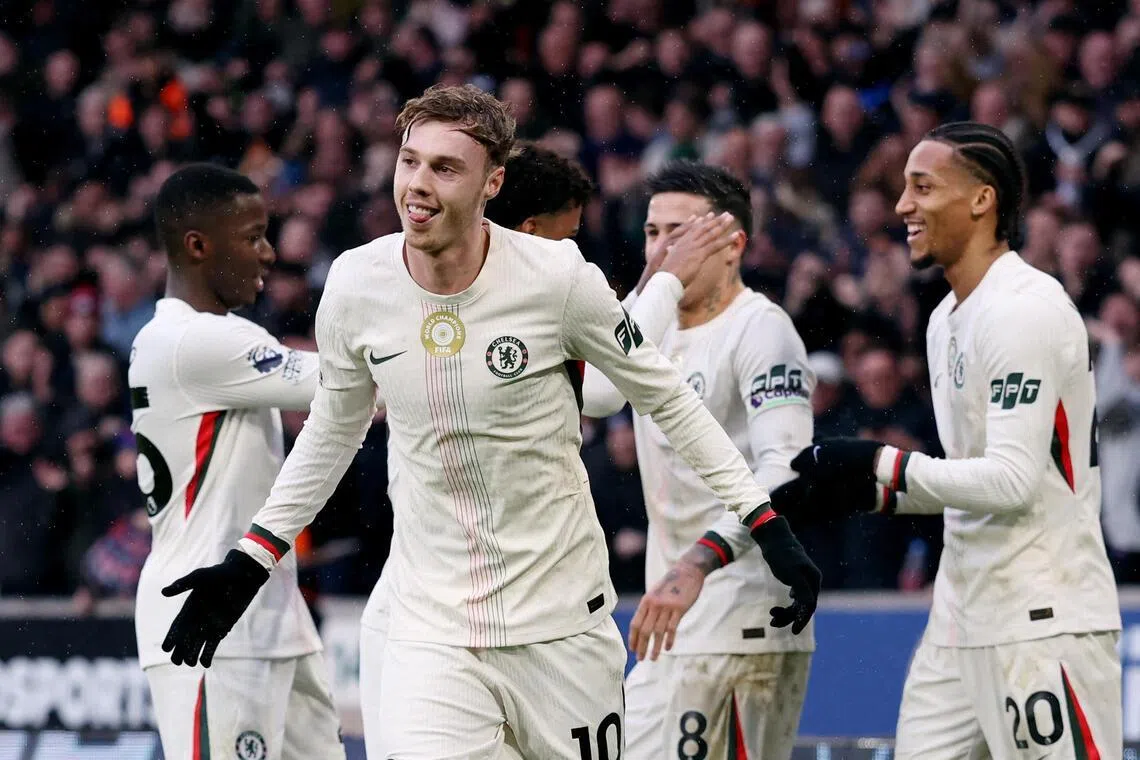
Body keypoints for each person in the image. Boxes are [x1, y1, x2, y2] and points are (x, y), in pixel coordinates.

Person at [156, 84, 820, 759]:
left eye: (445, 168)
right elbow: (332, 430)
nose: (417, 184)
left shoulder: (555, 275)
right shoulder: (358, 285)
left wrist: (762, 522)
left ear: (491, 183)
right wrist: (253, 557)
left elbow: (665, 398)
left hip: (561, 627)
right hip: (432, 631)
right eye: (409, 161)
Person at [780, 122, 1122, 759]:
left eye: (922, 187)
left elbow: (1012, 481)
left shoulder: (1025, 309)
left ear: (981, 200)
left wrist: (881, 461)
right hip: (960, 617)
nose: (903, 204)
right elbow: (967, 481)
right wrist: (862, 490)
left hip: (1040, 619)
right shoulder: (944, 321)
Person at [579, 162, 816, 760]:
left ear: (733, 244)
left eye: (679, 234)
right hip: (672, 622)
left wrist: (697, 563)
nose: (661, 250)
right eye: (653, 233)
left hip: (741, 618)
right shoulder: (649, 331)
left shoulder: (762, 330)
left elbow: (785, 467)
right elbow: (593, 388)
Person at [130, 164, 344, 760]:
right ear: (198, 245)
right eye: (252, 236)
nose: (269, 254)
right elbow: (348, 382)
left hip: (272, 618)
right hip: (209, 624)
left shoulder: (208, 340)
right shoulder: (194, 342)